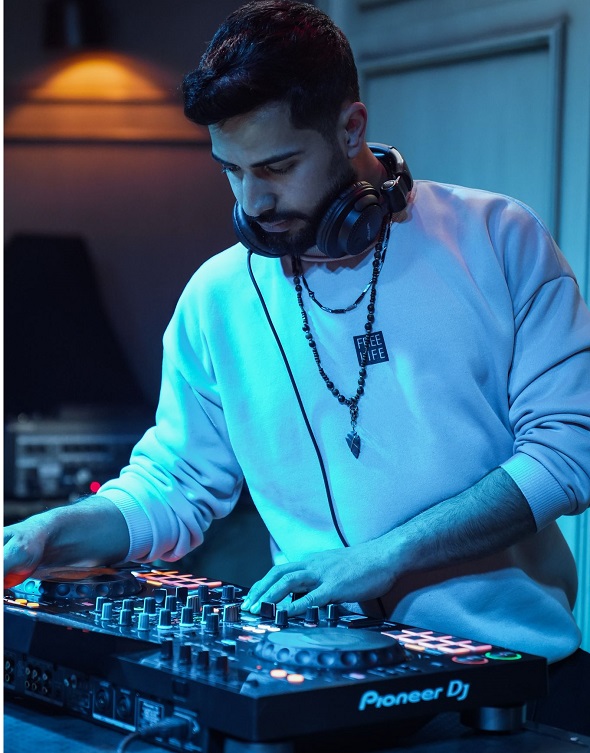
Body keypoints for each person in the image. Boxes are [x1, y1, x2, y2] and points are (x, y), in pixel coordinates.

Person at [4, 0, 590, 734]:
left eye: (278, 166)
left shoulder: (499, 240)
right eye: (232, 171)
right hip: (317, 687)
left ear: (351, 128)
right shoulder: (218, 296)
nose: (253, 202)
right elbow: (175, 485)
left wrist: (387, 555)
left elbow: (569, 450)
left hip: (512, 690)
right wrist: (54, 532)